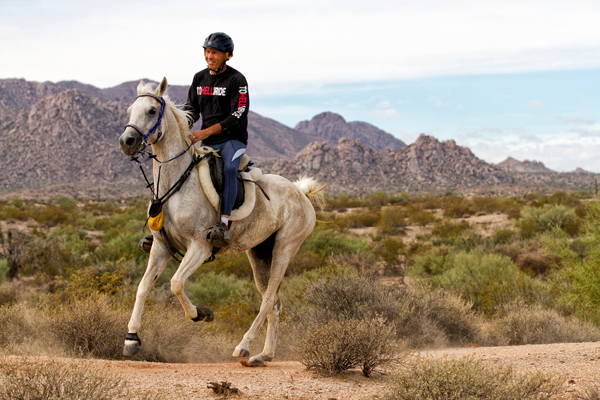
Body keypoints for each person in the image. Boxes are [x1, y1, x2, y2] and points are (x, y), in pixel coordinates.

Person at [184, 32, 249, 247]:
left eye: (215, 53)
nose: (209, 56)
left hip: (233, 140)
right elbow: (192, 110)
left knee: (229, 170)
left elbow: (238, 113)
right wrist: (182, 128)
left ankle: (223, 224)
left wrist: (204, 133)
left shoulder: (237, 79)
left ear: (228, 55)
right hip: (208, 143)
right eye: (207, 51)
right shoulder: (198, 78)